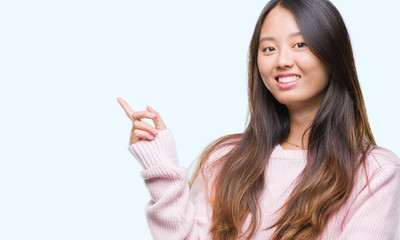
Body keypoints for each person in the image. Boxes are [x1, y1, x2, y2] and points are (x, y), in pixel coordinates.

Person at [117, 0, 400, 239]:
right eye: (268, 48)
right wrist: (160, 166)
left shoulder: (374, 173)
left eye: (300, 44)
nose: (282, 60)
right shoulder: (225, 160)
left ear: (332, 55)